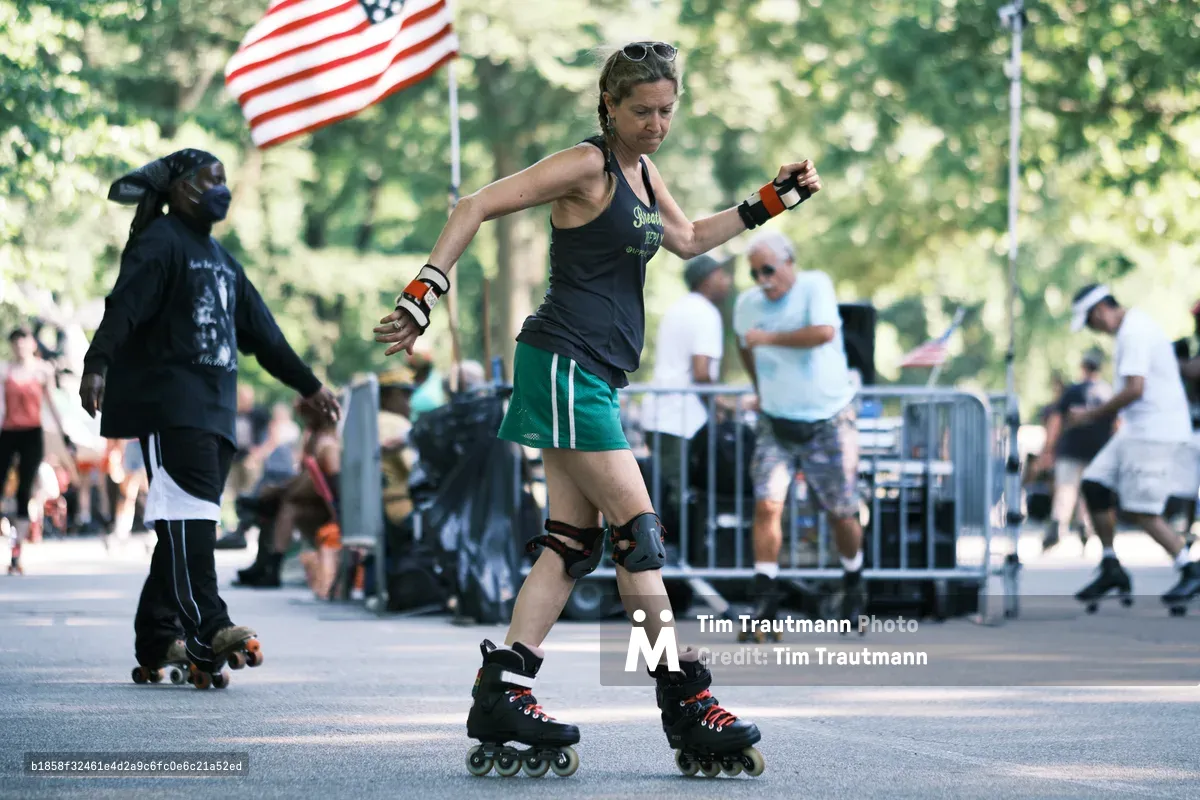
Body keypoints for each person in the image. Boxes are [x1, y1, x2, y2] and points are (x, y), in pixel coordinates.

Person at [374, 41, 818, 777]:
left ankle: (503, 689)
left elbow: (688, 240)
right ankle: (684, 700)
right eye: (640, 111)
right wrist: (422, 297)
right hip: (562, 363)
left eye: (667, 111)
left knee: (571, 545)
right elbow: (476, 204)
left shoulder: (645, 173)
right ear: (607, 106)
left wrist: (774, 198)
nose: (655, 124)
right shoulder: (587, 165)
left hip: (592, 375)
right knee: (637, 535)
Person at [79, 148, 341, 686]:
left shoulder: (223, 261)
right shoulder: (160, 242)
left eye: (224, 180)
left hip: (216, 408)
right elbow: (123, 304)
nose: (219, 189)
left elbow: (265, 336)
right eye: (208, 179)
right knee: (189, 518)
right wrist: (96, 362)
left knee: (186, 521)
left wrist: (310, 386)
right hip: (170, 404)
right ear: (177, 188)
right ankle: (207, 626)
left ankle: (158, 637)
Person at [732, 231, 865, 632]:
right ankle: (765, 601)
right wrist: (761, 390)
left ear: (789, 262)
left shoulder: (814, 285)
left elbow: (824, 332)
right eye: (754, 273)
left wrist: (768, 338)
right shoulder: (747, 304)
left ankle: (854, 582)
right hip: (777, 420)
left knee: (841, 511)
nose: (762, 280)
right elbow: (744, 346)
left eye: (768, 270)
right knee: (768, 504)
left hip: (830, 418)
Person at [1067, 284, 1200, 610]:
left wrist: (1091, 415)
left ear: (1099, 311)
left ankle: (1189, 567)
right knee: (1095, 484)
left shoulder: (1134, 332)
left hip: (1155, 431)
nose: (1093, 330)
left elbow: (1135, 389)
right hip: (1135, 429)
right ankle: (1112, 566)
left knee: (1141, 509)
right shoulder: (1131, 330)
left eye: (1090, 323)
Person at [642, 252, 733, 522]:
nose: (727, 281)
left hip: (662, 415)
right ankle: (675, 557)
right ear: (706, 280)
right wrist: (721, 406)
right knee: (677, 493)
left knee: (663, 488)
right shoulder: (705, 313)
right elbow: (701, 372)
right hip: (680, 420)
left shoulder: (679, 308)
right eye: (721, 275)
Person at [1035, 350, 1116, 551]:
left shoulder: (1072, 391)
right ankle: (1084, 527)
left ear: (1083, 367)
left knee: (1065, 490)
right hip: (1098, 452)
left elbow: (1055, 420)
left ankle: (1059, 526)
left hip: (1071, 450)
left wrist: (1048, 448)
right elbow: (1117, 424)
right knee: (1087, 491)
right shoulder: (1108, 392)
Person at [0, 327, 63, 548]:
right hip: (8, 432)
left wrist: (64, 434)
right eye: (15, 342)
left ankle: (18, 547)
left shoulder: (42, 371)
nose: (19, 347)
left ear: (32, 344)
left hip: (32, 433)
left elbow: (51, 404)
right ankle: (6, 533)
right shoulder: (4, 370)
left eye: (23, 341)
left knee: (24, 489)